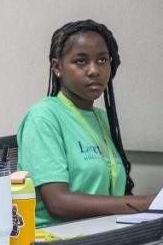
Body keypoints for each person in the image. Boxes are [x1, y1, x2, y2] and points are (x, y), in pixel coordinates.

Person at [17, 20, 153, 226]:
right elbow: (58, 202)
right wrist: (147, 202)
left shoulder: (101, 118)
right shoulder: (43, 117)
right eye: (81, 61)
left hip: (103, 233)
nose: (94, 70)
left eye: (102, 60)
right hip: (54, 243)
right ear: (57, 67)